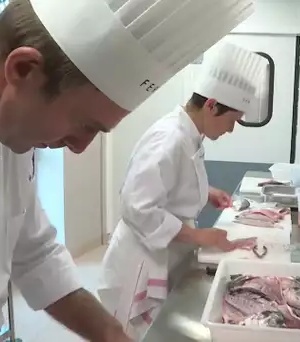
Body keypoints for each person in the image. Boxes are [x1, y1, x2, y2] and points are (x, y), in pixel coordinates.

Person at [0, 0, 254, 340]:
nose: (80, 147)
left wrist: (113, 335)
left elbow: (36, 254)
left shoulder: (10, 126)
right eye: (84, 124)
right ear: (23, 70)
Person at [97, 42, 267, 340]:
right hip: (139, 263)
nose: (231, 130)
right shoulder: (170, 138)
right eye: (232, 120)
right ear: (212, 105)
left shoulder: (190, 135)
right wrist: (201, 236)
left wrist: (207, 192)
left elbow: (171, 183)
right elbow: (138, 207)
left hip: (165, 253)